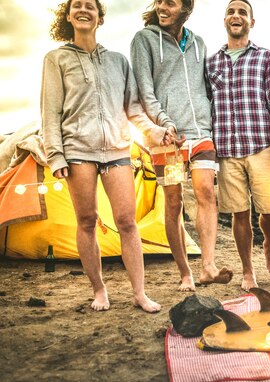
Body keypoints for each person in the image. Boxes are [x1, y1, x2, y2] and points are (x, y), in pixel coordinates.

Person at [41, 0, 161, 312]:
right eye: (76, 6)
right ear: (68, 16)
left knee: (126, 221)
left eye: (90, 6)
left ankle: (139, 293)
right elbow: (51, 113)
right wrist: (56, 157)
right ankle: (99, 290)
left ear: (99, 17)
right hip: (78, 151)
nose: (83, 10)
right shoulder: (56, 59)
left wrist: (154, 131)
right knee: (86, 220)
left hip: (118, 150)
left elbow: (133, 108)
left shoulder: (119, 61)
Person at [131, 0, 232, 292]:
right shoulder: (144, 40)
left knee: (205, 192)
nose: (162, 7)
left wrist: (213, 119)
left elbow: (206, 87)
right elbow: (144, 89)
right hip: (167, 138)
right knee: (174, 203)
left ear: (186, 9)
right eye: (160, 2)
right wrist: (163, 123)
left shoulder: (198, 43)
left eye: (170, 3)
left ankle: (208, 266)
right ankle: (185, 272)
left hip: (200, 133)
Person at [206, 0, 270, 291]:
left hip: (261, 146)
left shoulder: (266, 57)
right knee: (239, 213)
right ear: (224, 21)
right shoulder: (211, 63)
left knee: (269, 211)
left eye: (242, 12)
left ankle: (268, 244)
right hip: (227, 151)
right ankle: (248, 272)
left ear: (251, 22)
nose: (236, 15)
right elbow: (205, 104)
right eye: (231, 11)